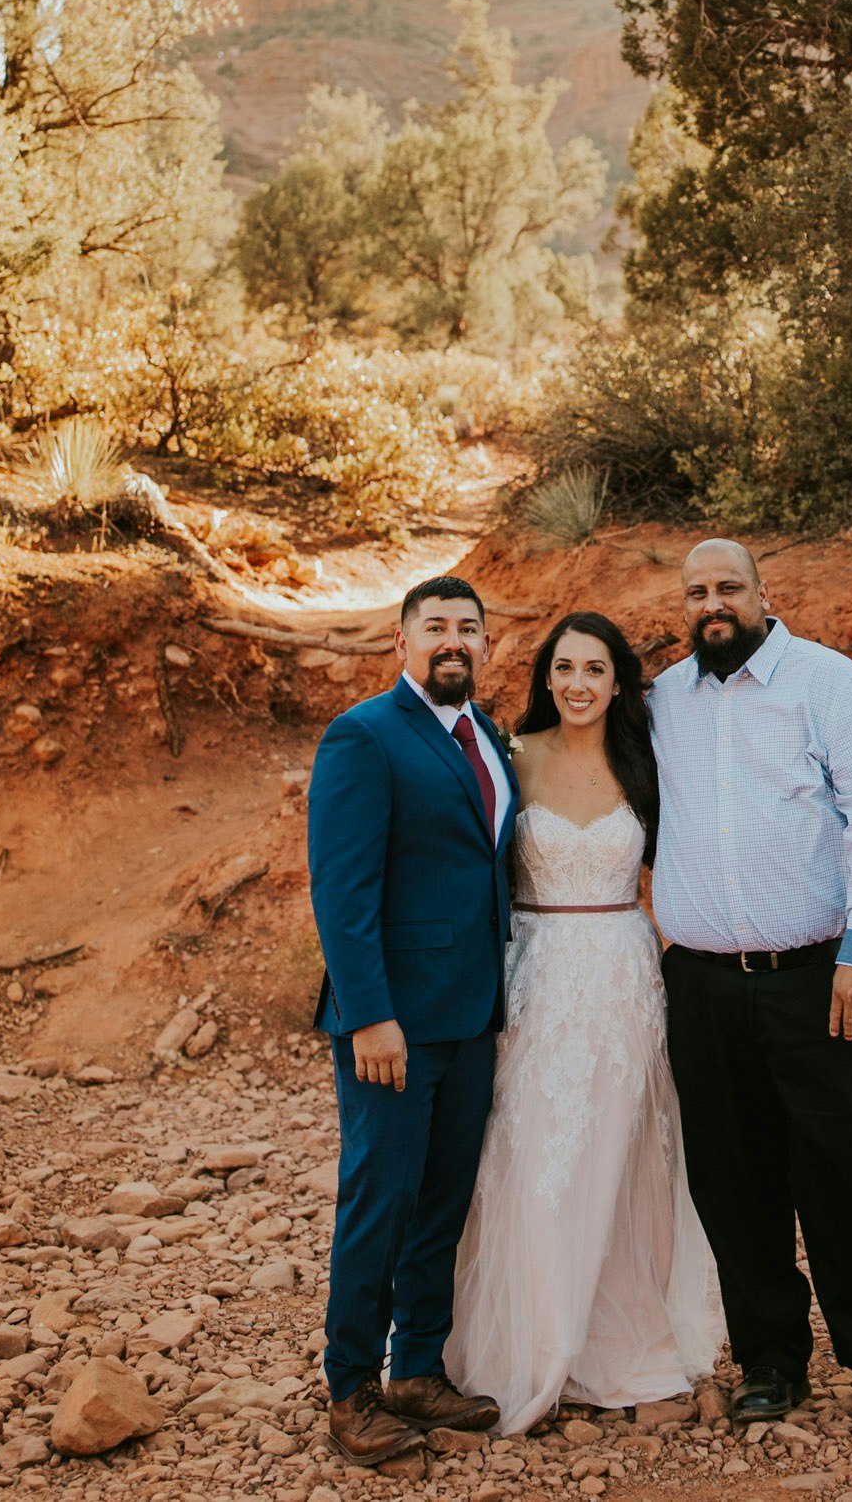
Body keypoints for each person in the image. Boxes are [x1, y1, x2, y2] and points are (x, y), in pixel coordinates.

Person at [650, 539, 852, 1431]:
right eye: (697, 591)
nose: (713, 604)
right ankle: (770, 1359)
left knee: (846, 1165)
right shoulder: (663, 702)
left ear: (762, 592)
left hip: (820, 976)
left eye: (728, 587)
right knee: (732, 1178)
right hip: (701, 985)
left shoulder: (835, 687)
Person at [446, 611, 721, 1433]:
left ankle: (613, 1340)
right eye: (564, 667)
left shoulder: (647, 763)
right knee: (530, 1154)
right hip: (535, 976)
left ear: (618, 682)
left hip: (622, 980)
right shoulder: (511, 756)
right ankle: (531, 1343)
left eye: (595, 669)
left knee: (617, 1155)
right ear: (545, 677)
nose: (577, 684)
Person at [307, 575, 517, 1469]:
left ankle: (418, 1370)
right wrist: (369, 1016)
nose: (453, 641)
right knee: (380, 1201)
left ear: (485, 644)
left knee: (442, 1202)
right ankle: (350, 1388)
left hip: (472, 1014)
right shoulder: (363, 735)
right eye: (435, 627)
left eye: (468, 627)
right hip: (393, 1022)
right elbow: (341, 890)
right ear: (402, 642)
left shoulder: (487, 736)